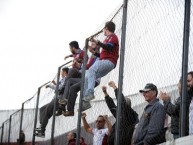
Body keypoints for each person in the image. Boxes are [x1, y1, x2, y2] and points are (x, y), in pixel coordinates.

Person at [82, 21, 119, 111]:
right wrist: (94, 52)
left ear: (106, 28)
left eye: (104, 29)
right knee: (87, 77)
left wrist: (97, 42)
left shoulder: (113, 36)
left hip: (109, 62)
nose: (103, 31)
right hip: (106, 61)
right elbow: (103, 54)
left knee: (91, 70)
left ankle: (90, 93)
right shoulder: (107, 39)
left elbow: (109, 47)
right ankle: (85, 102)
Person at [63, 42, 101, 116]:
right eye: (90, 44)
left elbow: (90, 66)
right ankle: (70, 109)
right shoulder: (91, 57)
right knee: (72, 86)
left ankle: (84, 103)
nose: (90, 46)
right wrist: (78, 65)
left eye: (93, 44)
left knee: (73, 79)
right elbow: (85, 66)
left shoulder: (97, 56)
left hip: (92, 80)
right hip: (85, 78)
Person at [35, 67, 69, 138]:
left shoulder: (66, 78)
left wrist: (50, 85)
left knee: (46, 113)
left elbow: (60, 88)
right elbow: (60, 87)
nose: (60, 73)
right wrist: (55, 84)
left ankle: (42, 131)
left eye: (61, 72)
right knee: (42, 109)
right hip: (55, 99)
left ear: (65, 72)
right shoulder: (63, 79)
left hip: (58, 100)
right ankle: (42, 125)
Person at [160, 71, 193, 138]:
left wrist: (166, 101)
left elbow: (175, 111)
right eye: (183, 82)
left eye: (188, 81)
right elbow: (173, 113)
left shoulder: (188, 97)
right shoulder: (181, 97)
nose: (185, 84)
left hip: (183, 132)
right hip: (179, 131)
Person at [58, 41, 87, 105]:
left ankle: (62, 88)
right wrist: (68, 56)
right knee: (69, 81)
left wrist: (78, 61)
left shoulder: (82, 53)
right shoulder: (74, 54)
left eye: (70, 48)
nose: (70, 50)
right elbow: (72, 55)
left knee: (71, 70)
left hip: (80, 72)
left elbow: (86, 61)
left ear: (73, 48)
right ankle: (64, 99)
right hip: (75, 73)